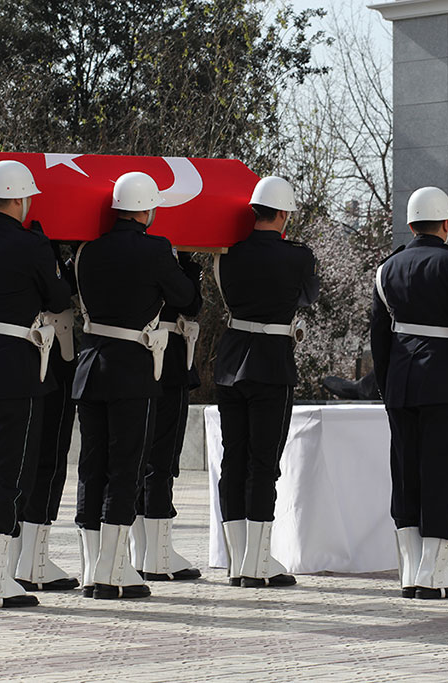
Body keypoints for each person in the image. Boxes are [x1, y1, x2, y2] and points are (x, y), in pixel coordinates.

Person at [72, 171, 200, 599]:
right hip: (133, 369)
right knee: (126, 466)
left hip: (91, 367)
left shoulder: (87, 251)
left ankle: (93, 567)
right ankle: (113, 571)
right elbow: (187, 299)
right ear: (147, 209)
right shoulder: (155, 249)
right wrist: (189, 271)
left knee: (91, 468)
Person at [0, 160, 73, 608]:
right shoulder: (30, 245)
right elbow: (59, 298)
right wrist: (47, 254)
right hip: (13, 370)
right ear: (22, 200)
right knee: (10, 475)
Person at [370, 186, 448, 600]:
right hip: (445, 384)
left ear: (410, 223)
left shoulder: (388, 269)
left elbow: (378, 339)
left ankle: (410, 571)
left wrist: (387, 387)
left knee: (406, 476)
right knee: (444, 475)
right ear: (446, 223)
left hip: (401, 385)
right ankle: (434, 571)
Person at [215, 176, 319, 588]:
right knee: (263, 462)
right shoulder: (298, 257)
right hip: (271, 365)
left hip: (230, 362)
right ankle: (256, 562)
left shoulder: (227, 255)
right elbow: (308, 297)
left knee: (233, 460)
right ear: (283, 215)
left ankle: (239, 559)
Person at [130, 263, 203, 582]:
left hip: (131, 358)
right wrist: (187, 265)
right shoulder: (160, 255)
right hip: (167, 361)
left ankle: (142, 551)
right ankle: (158, 556)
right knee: (161, 459)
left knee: (138, 458)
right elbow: (191, 302)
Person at [14, 294, 80, 592]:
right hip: (48, 354)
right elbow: (56, 294)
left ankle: (18, 556)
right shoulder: (38, 251)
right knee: (48, 458)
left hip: (13, 355)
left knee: (21, 459)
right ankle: (33, 561)